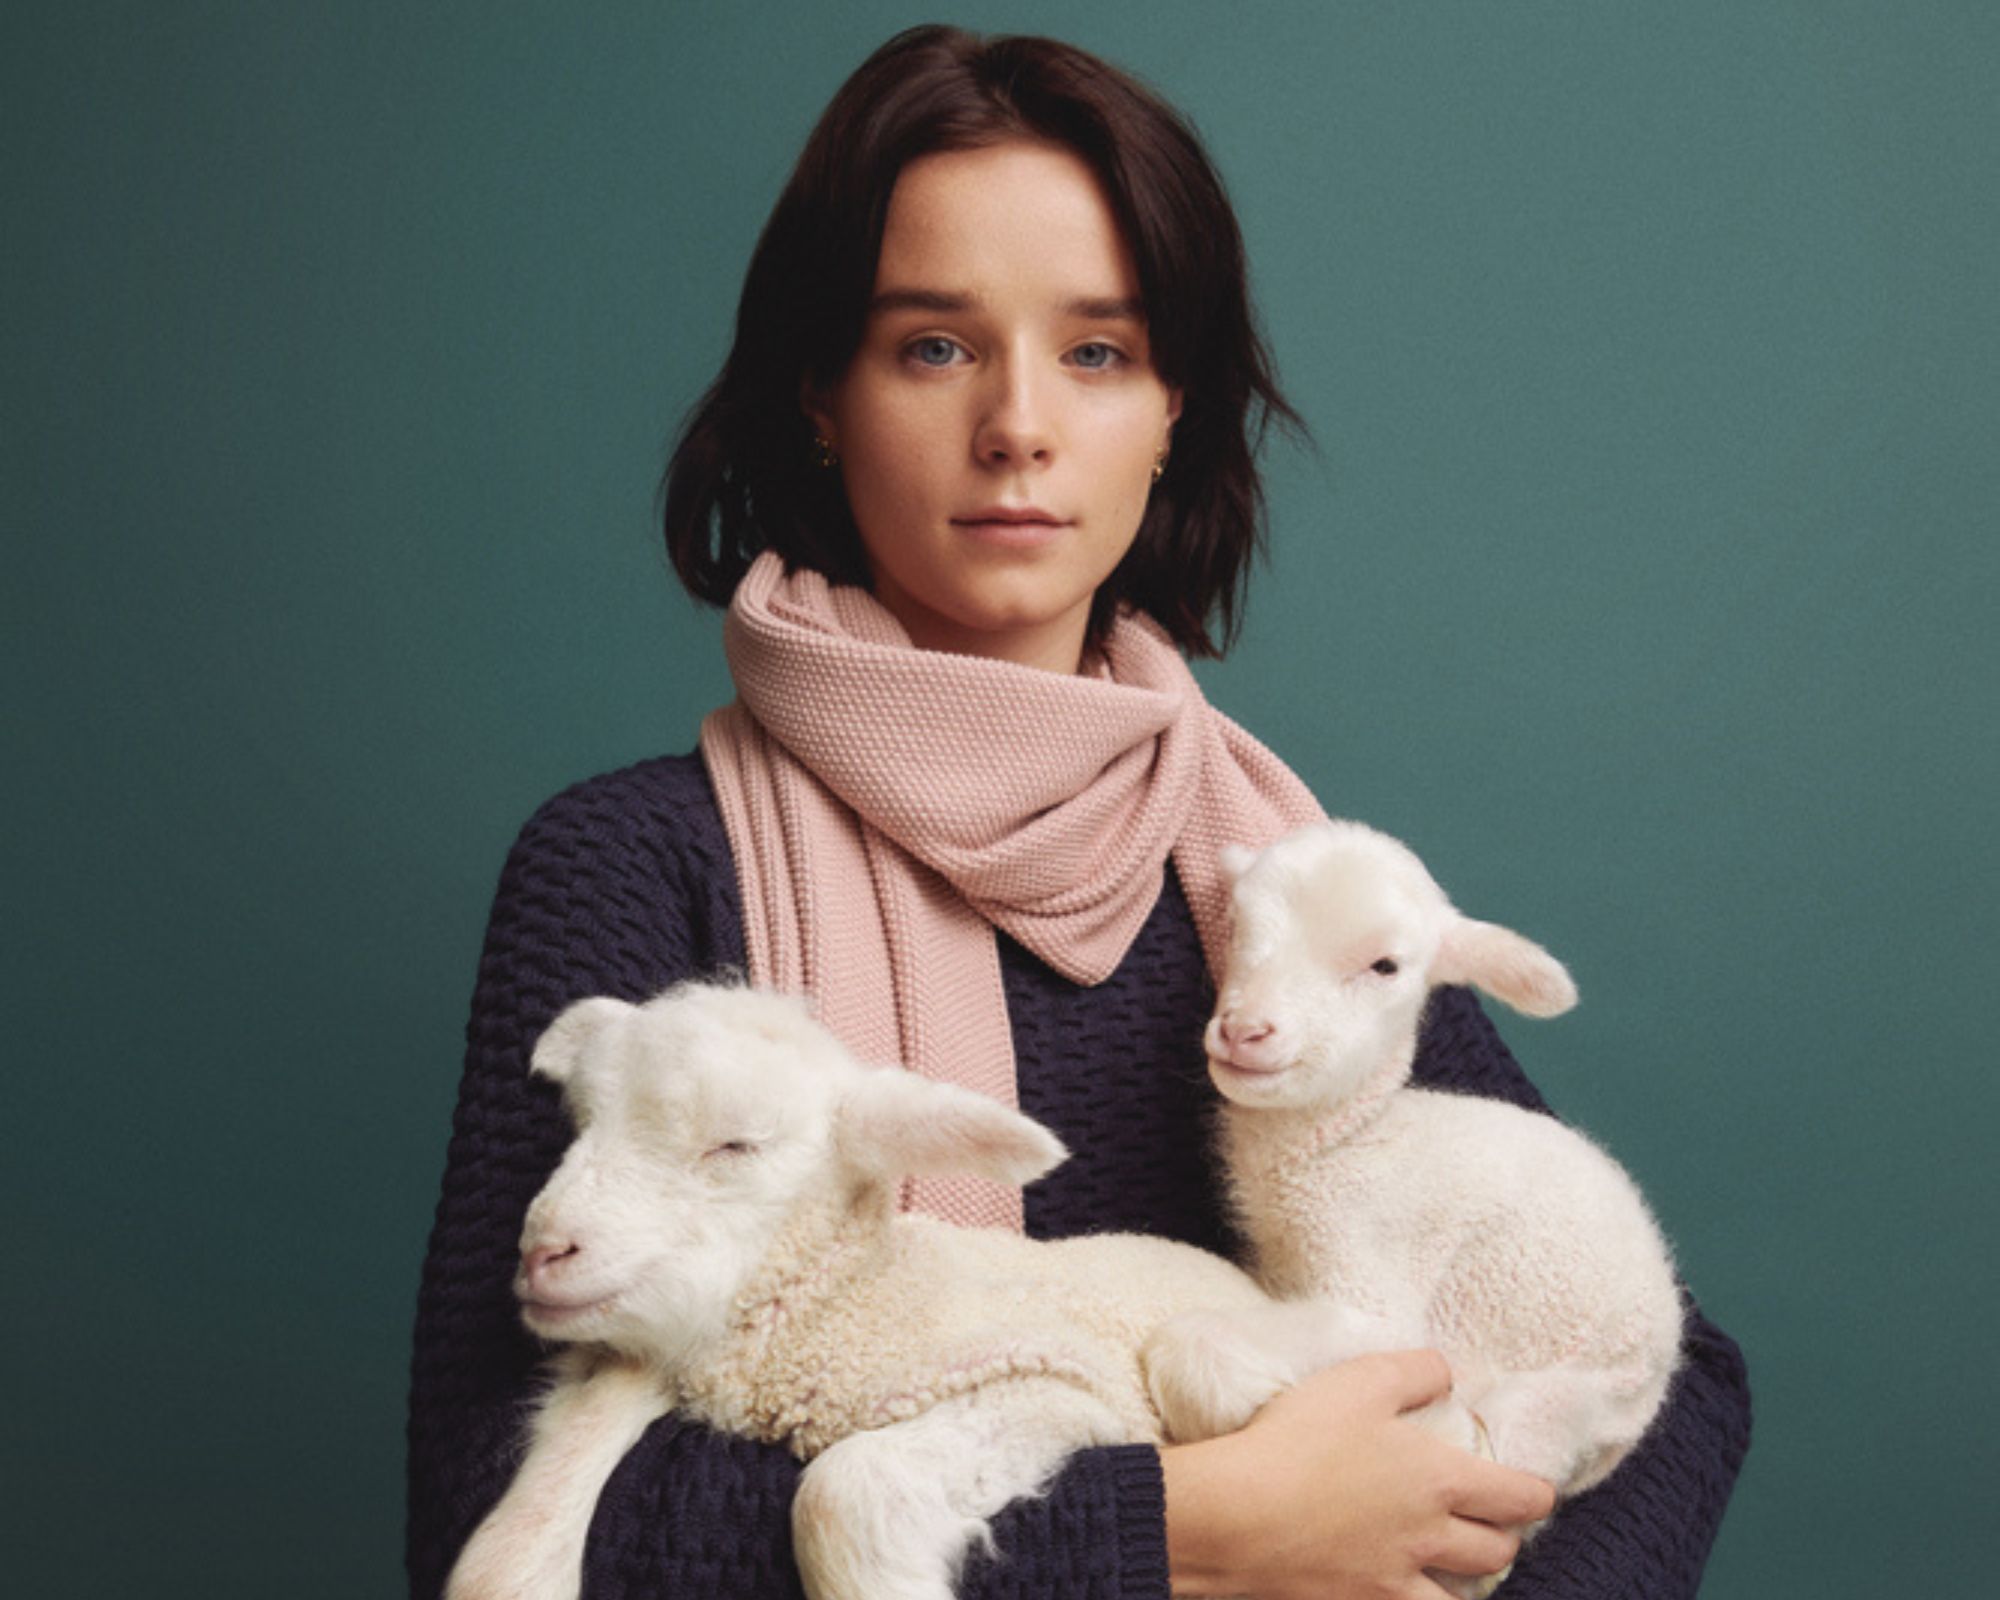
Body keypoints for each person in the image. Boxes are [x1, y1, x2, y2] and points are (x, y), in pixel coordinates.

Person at [407, 26, 1750, 1600]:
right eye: (932, 346)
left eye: (1098, 352)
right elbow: (487, 1511)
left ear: (1176, 404)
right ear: (820, 395)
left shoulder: (1275, 890)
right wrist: (1193, 1537)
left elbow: (1669, 1380)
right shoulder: (634, 866)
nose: (1020, 425)